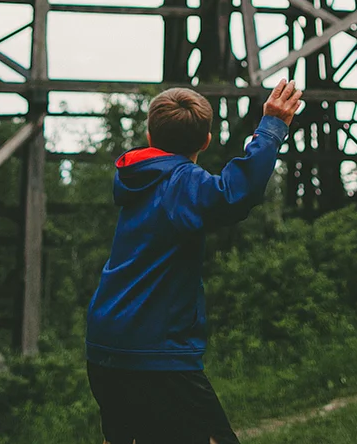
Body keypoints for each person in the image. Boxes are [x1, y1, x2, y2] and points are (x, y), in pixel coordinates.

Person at [85, 79, 303, 444]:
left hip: (106, 343)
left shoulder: (135, 177)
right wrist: (272, 127)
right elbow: (236, 194)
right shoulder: (181, 183)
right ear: (206, 140)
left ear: (149, 133)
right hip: (155, 352)